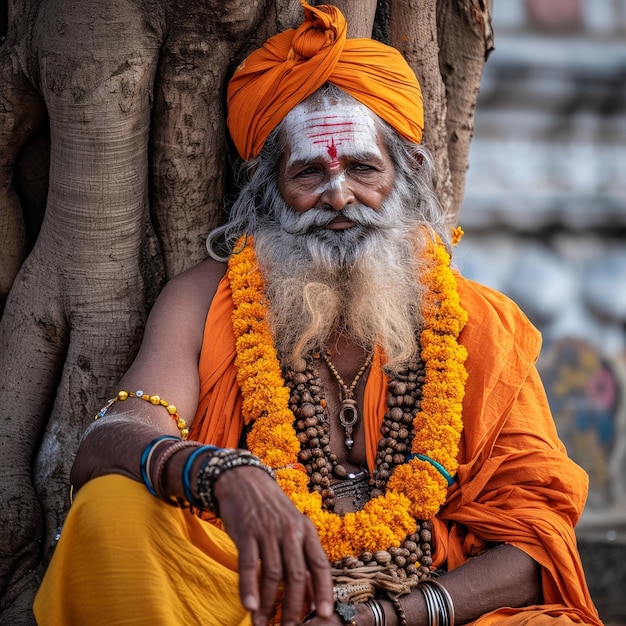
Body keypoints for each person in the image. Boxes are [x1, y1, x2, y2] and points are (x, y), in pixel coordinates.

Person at [34, 3, 602, 626]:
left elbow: (537, 534)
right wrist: (220, 472)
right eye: (309, 172)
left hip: (427, 609)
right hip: (251, 600)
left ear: (405, 176)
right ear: (267, 188)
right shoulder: (207, 301)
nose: (338, 195)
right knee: (111, 511)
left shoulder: (475, 321)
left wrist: (392, 618)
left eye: (362, 168)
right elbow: (106, 443)